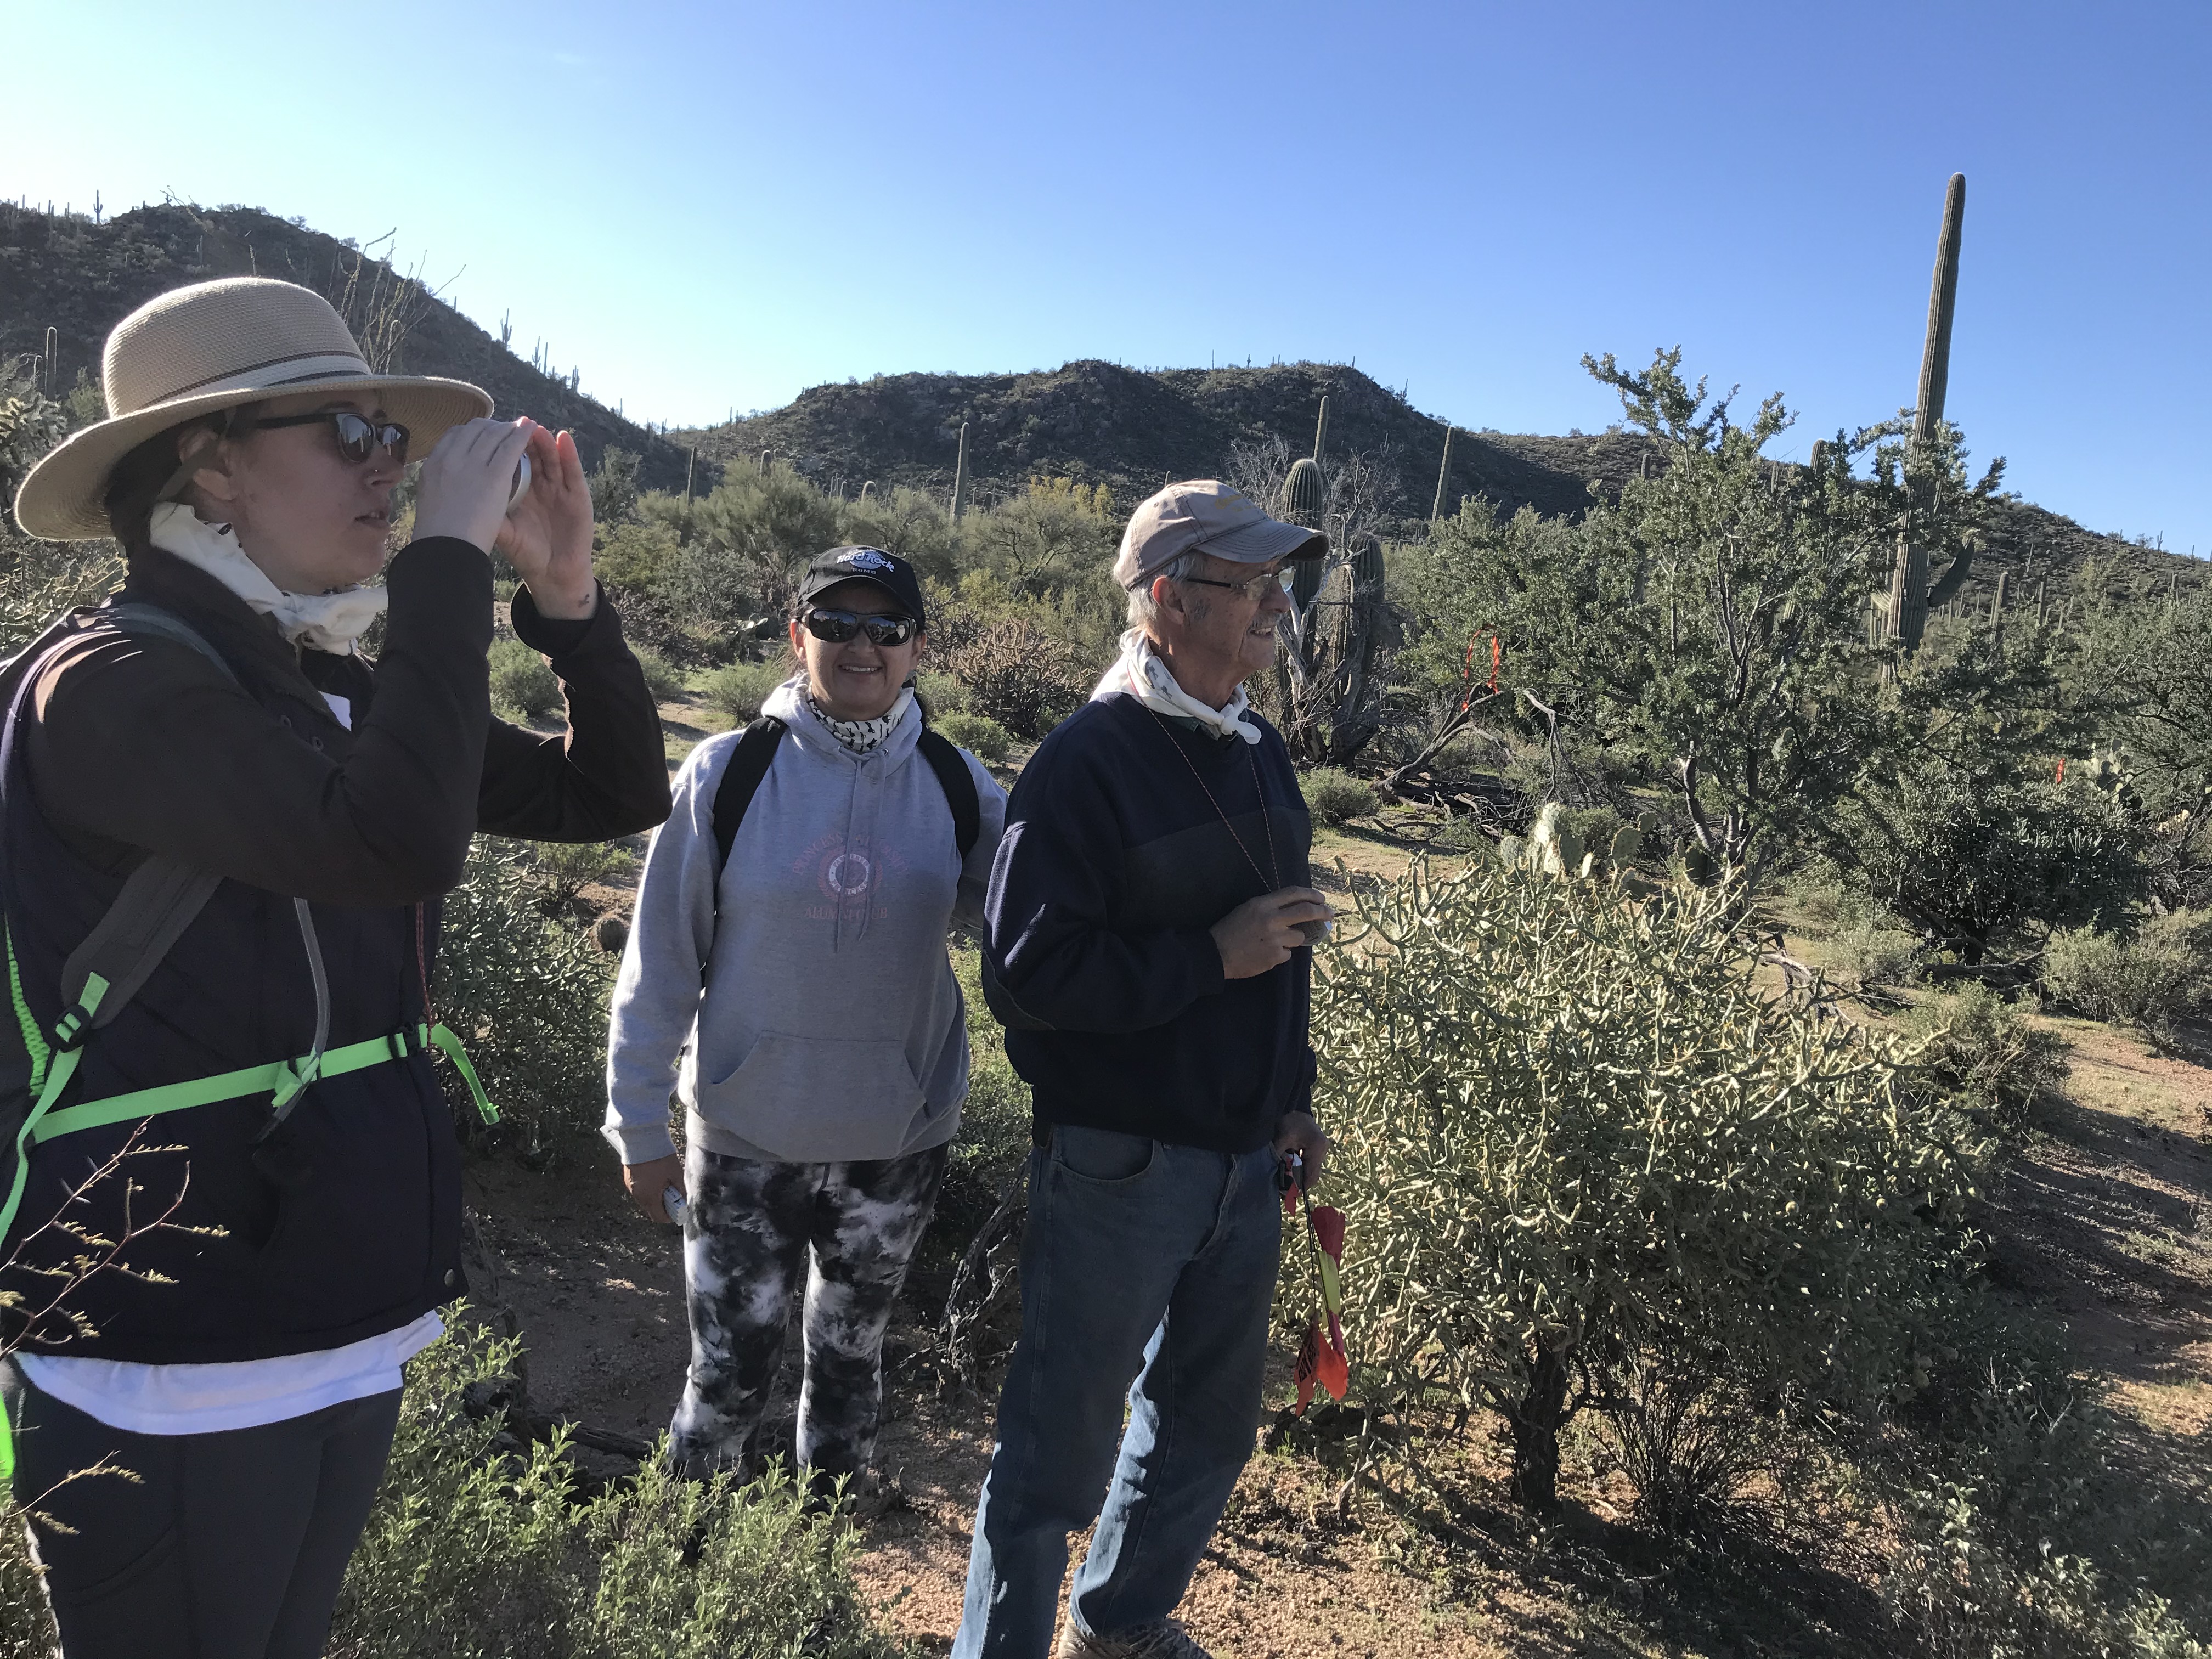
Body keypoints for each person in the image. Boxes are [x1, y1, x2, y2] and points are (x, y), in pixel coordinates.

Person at [0, 276, 670, 1659]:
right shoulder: (112, 682)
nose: (391, 464)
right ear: (211, 466)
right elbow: (389, 843)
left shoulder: (333, 682)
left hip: (331, 1303)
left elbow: (613, 790)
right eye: (350, 432)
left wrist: (568, 603)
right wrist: (443, 566)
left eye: (394, 438)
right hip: (159, 1339)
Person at [956, 481, 1334, 1659]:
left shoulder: (1260, 750)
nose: (1280, 604)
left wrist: (1295, 1090)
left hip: (1243, 1158)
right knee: (1055, 1454)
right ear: (1169, 598)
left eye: (1284, 582)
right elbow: (1022, 973)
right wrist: (1203, 961)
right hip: (1121, 1163)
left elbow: (1280, 948)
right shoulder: (1084, 762)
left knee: (1206, 1431)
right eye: (1253, 583)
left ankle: (1120, 1629)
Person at [605, 545, 1007, 1495]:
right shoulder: (726, 774)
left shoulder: (962, 786)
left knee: (850, 1367)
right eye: (834, 623)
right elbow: (659, 960)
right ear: (797, 638)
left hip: (895, 1137)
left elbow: (1033, 930)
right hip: (747, 1135)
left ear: (916, 649)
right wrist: (635, 1124)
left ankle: (808, 1574)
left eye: (885, 628)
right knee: (726, 1375)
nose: (859, 645)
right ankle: (688, 1577)